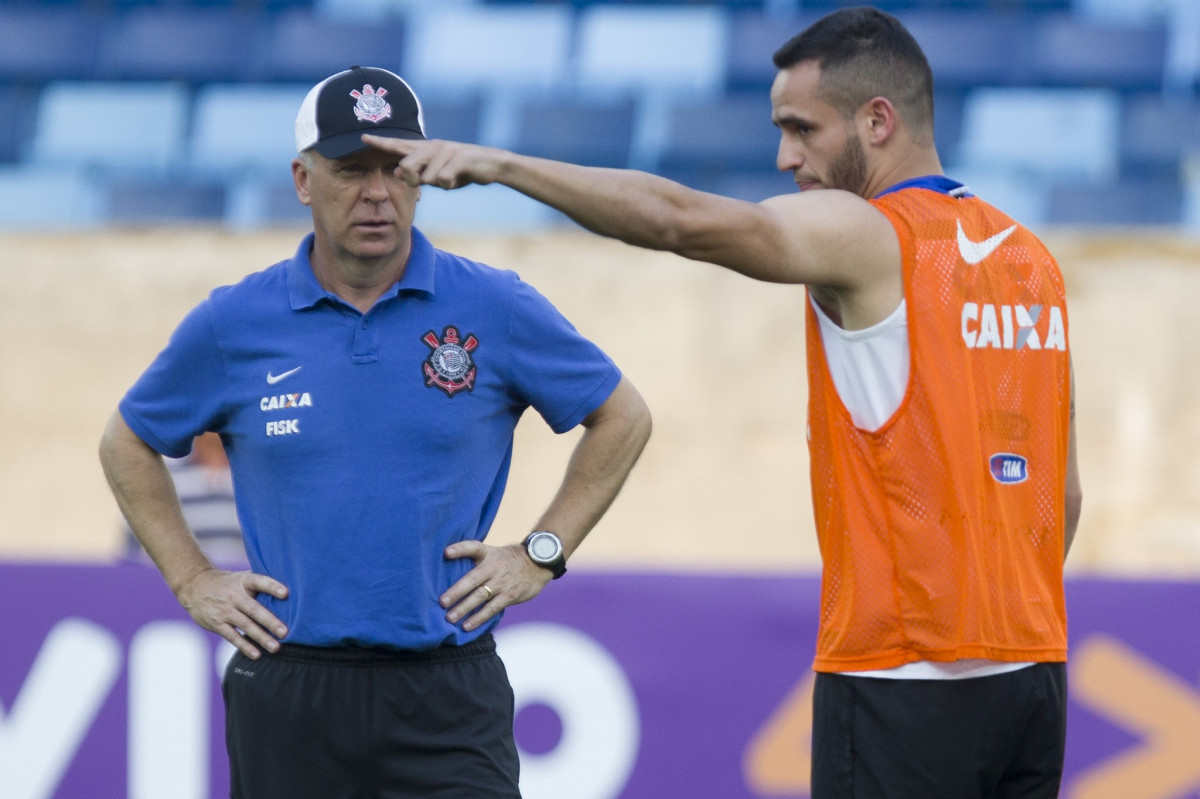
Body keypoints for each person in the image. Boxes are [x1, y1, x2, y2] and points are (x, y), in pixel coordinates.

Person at [365, 8, 1082, 797]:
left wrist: (502, 166)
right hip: (1031, 674)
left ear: (878, 120)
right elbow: (1063, 494)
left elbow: (680, 221)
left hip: (899, 674)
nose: (785, 156)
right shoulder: (1029, 260)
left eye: (802, 128)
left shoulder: (871, 234)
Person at [98, 66, 651, 799]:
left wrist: (540, 552)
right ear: (302, 180)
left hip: (447, 688)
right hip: (290, 685)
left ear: (423, 177)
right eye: (351, 170)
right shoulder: (235, 322)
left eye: (397, 169)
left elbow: (623, 415)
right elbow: (126, 441)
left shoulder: (496, 306)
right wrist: (193, 577)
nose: (378, 193)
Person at [122, 432, 248, 568]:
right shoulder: (161, 471)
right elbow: (132, 546)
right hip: (174, 586)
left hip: (248, 584)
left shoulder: (257, 472)